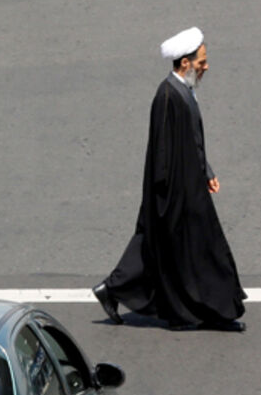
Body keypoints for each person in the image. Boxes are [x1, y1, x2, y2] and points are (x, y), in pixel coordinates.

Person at [92, 27, 247, 331]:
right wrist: (169, 201)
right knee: (199, 248)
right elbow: (161, 154)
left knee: (173, 248)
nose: (206, 67)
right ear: (185, 63)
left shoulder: (182, 92)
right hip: (178, 194)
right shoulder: (167, 96)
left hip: (189, 188)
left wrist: (206, 172)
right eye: (201, 62)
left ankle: (115, 289)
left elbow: (191, 142)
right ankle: (216, 312)